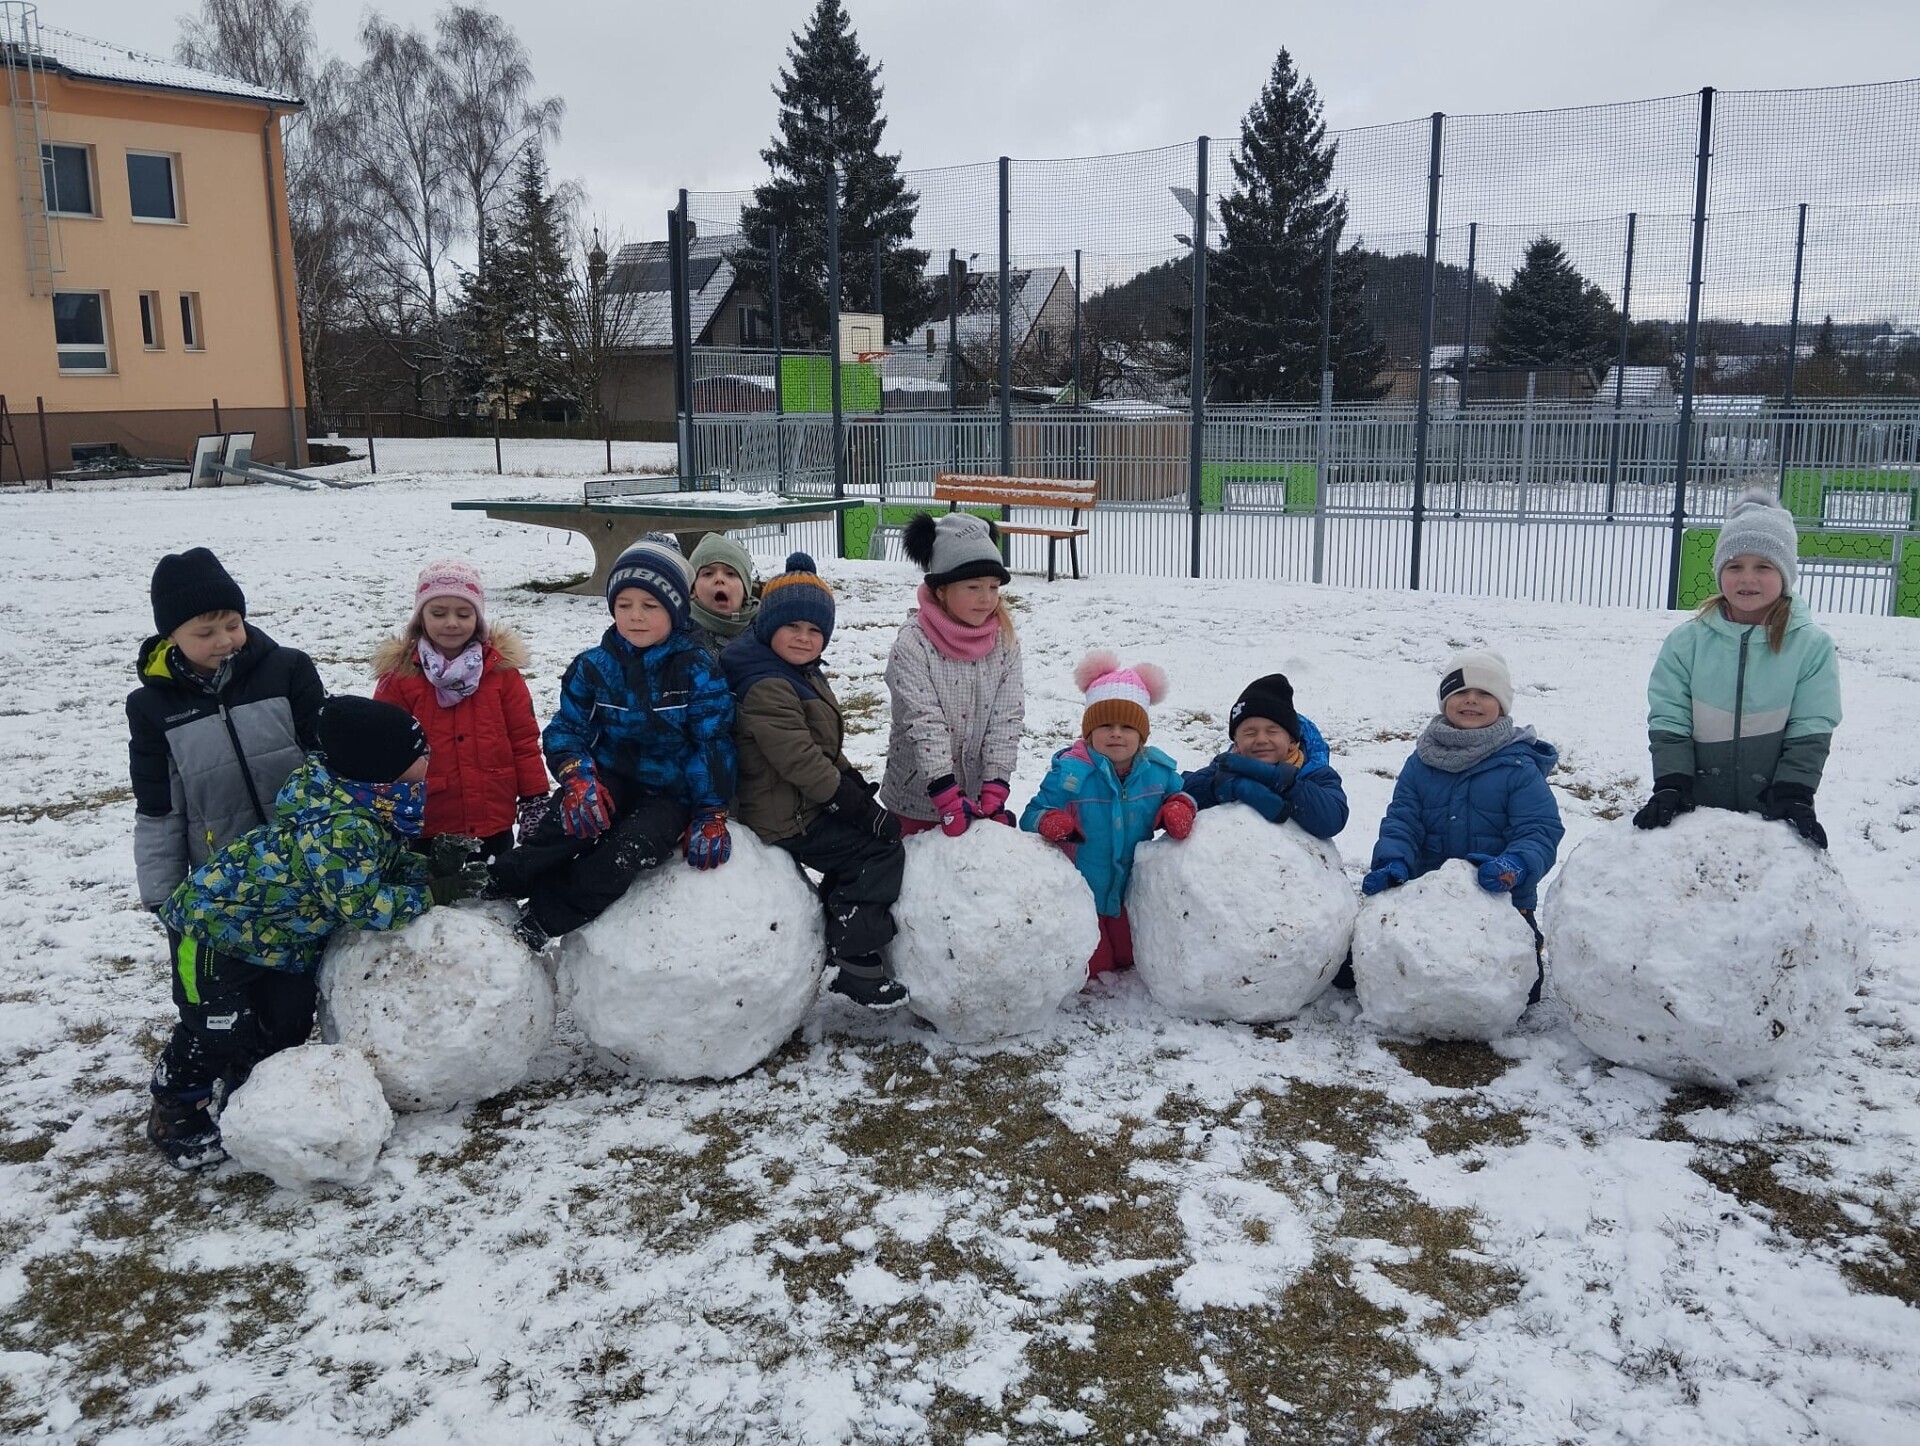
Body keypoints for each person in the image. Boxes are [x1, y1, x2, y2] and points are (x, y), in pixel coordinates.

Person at [146, 696, 488, 1169]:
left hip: (278, 941)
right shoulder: (337, 826)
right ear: (379, 768)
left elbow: (371, 868)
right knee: (218, 1026)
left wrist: (425, 868)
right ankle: (177, 1106)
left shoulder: (368, 802)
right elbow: (364, 905)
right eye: (419, 753)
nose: (429, 757)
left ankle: (249, 1095)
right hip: (211, 931)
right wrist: (433, 892)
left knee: (285, 1021)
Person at [488, 538, 736, 949]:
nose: (636, 616)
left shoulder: (696, 669)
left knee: (627, 850)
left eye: (650, 605)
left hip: (670, 791)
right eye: (624, 605)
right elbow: (568, 728)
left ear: (676, 610)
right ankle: (501, 880)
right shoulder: (593, 667)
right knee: (566, 823)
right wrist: (577, 775)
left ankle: (545, 916)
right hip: (609, 774)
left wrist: (710, 810)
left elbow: (712, 743)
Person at [723, 554, 909, 1010]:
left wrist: (852, 781)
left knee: (865, 843)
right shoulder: (766, 684)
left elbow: (820, 746)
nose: (804, 637)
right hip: (782, 816)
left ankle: (834, 929)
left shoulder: (794, 670)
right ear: (769, 626)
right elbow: (801, 761)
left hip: (797, 801)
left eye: (814, 630)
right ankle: (857, 962)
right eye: (792, 627)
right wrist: (855, 806)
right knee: (877, 853)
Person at [1633, 488, 1840, 848]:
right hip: (1696, 813)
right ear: (1719, 572)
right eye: (1735, 566)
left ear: (1785, 574)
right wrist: (1672, 783)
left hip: (1771, 813)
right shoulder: (1686, 642)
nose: (1747, 578)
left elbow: (1812, 724)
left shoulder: (1810, 647)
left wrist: (1794, 790)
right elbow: (1670, 717)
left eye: (1763, 566)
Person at [127, 547, 324, 912]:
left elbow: (327, 761)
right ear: (171, 637)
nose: (224, 640)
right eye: (205, 633)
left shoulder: (288, 671)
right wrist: (165, 898)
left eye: (233, 625)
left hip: (311, 862)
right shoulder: (152, 708)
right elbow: (159, 809)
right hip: (227, 883)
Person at [1360, 650, 1565, 1000]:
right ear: (1445, 701)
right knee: (1375, 974)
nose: (1471, 699)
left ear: (1502, 705)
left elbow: (1539, 829)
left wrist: (1516, 865)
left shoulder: (1518, 767)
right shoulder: (1422, 762)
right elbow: (1403, 820)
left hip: (1501, 898)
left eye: (1484, 693)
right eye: (1460, 692)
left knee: (1520, 993)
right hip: (1427, 897)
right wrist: (1393, 861)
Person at [1020, 652, 1195, 978]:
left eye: (1127, 726)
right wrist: (1048, 821)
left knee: (1130, 957)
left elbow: (1183, 793)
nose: (1116, 733)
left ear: (1142, 735)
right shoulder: (1071, 774)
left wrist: (1179, 806)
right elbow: (1031, 814)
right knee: (1095, 967)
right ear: (1089, 733)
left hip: (1129, 891)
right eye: (1105, 725)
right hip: (1082, 892)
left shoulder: (1157, 772)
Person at [373, 559, 548, 863]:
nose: (452, 623)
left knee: (493, 884)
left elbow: (523, 739)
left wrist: (534, 797)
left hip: (492, 813)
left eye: (464, 613)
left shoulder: (501, 674)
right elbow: (385, 748)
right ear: (421, 618)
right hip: (429, 819)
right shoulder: (401, 679)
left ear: (477, 619)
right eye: (438, 613)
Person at [880, 511, 1024, 836]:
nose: (986, 598)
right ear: (942, 589)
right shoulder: (913, 643)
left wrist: (995, 786)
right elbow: (923, 721)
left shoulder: (1003, 641)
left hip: (974, 799)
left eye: (993, 587)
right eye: (973, 587)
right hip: (914, 799)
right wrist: (945, 795)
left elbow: (1006, 717)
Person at [1181, 673, 1349, 839]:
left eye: (1272, 731)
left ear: (1292, 741)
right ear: (1237, 743)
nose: (1261, 740)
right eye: (1250, 733)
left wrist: (1288, 784)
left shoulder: (1314, 773)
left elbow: (1333, 820)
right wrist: (1216, 786)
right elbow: (1182, 790)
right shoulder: (1226, 766)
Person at [687, 532, 760, 661]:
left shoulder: (768, 633)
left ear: (745, 590)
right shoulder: (678, 638)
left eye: (730, 574)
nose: (719, 579)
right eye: (708, 574)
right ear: (693, 589)